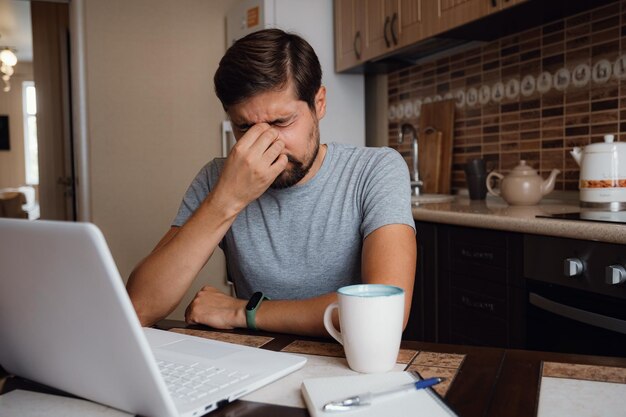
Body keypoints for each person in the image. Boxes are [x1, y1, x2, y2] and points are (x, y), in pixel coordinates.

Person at [127, 29, 416, 337]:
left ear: (319, 103)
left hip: (348, 366)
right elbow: (139, 307)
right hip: (257, 364)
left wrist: (242, 312)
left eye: (281, 122)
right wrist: (227, 199)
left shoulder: (375, 170)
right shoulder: (219, 179)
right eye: (244, 127)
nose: (266, 144)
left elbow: (383, 313)